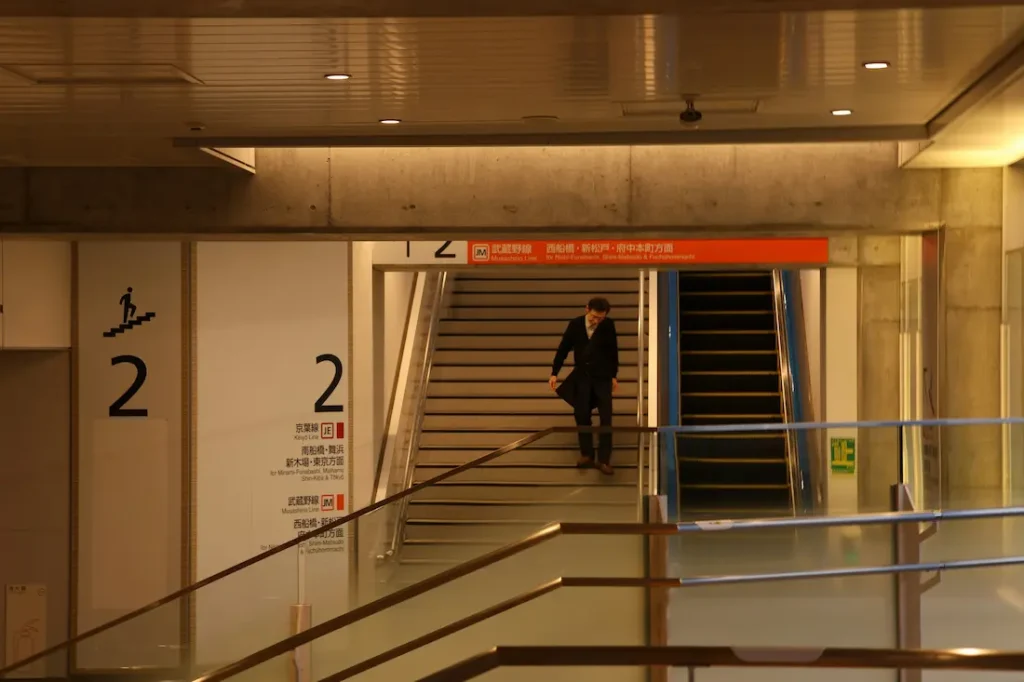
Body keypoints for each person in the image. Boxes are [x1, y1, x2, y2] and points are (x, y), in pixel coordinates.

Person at [549, 296, 619, 475]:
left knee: (606, 417)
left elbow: (613, 351)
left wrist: (614, 375)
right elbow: (563, 348)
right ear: (587, 309)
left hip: (602, 376)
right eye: (594, 317)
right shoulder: (575, 324)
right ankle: (587, 454)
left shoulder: (608, 325)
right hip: (582, 376)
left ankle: (604, 460)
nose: (597, 321)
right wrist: (554, 372)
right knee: (581, 414)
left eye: (600, 318)